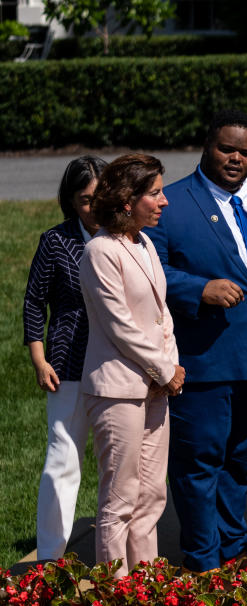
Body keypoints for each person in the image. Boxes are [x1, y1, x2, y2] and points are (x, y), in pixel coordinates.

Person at [145, 110, 247, 573]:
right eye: (225, 148)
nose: (235, 158)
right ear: (206, 145)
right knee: (199, 465)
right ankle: (203, 562)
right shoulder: (171, 205)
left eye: (245, 152)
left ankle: (233, 550)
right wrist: (197, 289)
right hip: (206, 360)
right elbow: (147, 270)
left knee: (239, 465)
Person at [79, 154, 185, 576]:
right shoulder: (100, 251)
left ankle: (147, 589)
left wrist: (169, 369)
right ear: (127, 200)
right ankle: (114, 596)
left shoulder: (144, 243)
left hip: (155, 386)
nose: (164, 202)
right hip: (116, 389)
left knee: (151, 495)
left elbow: (162, 315)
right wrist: (164, 369)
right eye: (155, 193)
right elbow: (119, 325)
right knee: (120, 497)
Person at [23, 155, 106, 561]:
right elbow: (34, 303)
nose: (93, 206)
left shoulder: (128, 238)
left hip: (117, 365)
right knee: (63, 458)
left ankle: (117, 556)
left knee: (118, 465)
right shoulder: (55, 241)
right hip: (67, 362)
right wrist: (39, 360)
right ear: (71, 201)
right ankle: (49, 558)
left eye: (100, 196)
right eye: (85, 199)